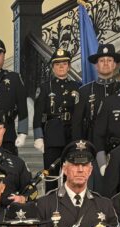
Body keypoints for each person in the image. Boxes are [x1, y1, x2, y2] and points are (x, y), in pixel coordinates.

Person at [35, 140, 120, 227]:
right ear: (64, 169)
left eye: (85, 165)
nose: (80, 170)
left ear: (90, 170)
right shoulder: (45, 203)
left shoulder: (104, 204)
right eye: (75, 164)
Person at [32, 48, 80, 177]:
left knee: (71, 174)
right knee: (51, 175)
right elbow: (38, 114)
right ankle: (50, 197)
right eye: (57, 64)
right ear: (53, 67)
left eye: (64, 64)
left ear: (69, 66)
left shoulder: (77, 86)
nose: (61, 67)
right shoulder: (45, 87)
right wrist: (38, 137)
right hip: (52, 135)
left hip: (72, 135)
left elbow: (80, 113)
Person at [71, 43, 120, 144]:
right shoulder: (84, 91)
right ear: (96, 66)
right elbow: (77, 125)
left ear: (114, 65)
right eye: (102, 61)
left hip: (119, 145)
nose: (106, 63)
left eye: (109, 60)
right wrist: (78, 149)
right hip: (92, 143)